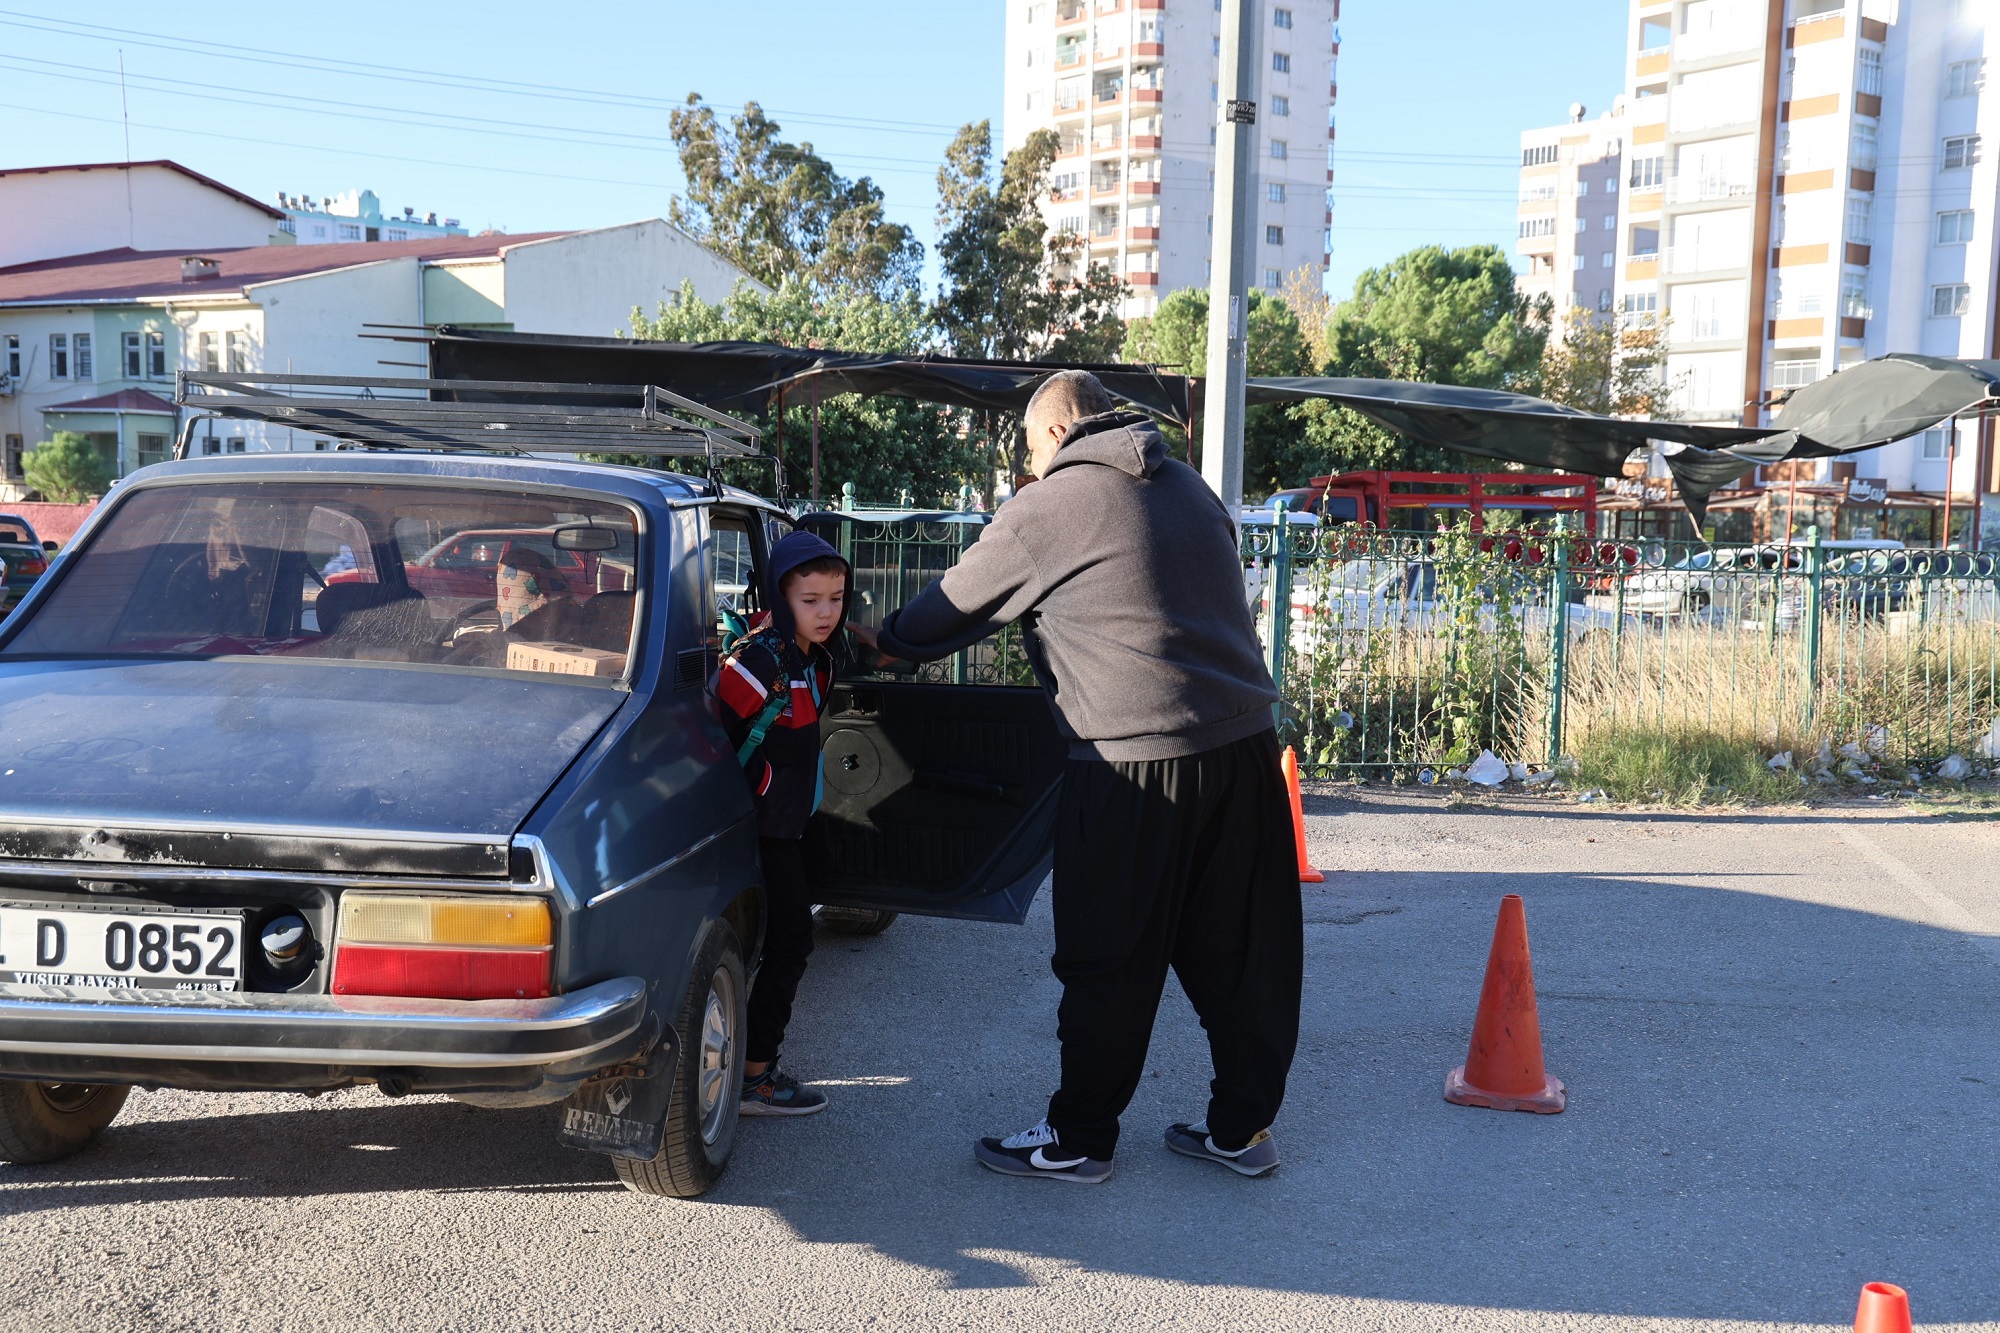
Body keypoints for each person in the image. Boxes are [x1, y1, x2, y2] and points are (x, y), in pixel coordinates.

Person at [858, 370, 1303, 1184]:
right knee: (1241, 949)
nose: (1031, 464)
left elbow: (951, 609)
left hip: (1133, 763)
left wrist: (878, 641)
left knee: (1108, 953)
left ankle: (1080, 1140)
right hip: (1244, 748)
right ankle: (1243, 1129)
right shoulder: (1191, 487)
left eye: (1031, 448)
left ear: (1058, 433)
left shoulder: (1053, 504)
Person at [713, 530, 852, 1117]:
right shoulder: (761, 657)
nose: (826, 612)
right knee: (791, 941)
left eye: (837, 598)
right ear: (781, 595)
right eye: (810, 599)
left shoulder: (815, 656)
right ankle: (754, 1078)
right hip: (756, 829)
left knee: (784, 940)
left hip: (787, 824)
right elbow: (708, 728)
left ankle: (751, 1068)